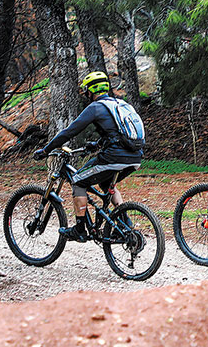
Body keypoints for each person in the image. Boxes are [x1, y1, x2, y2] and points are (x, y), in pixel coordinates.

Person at [33, 71, 143, 242]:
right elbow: (117, 132)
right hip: (135, 157)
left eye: (87, 91)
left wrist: (46, 150)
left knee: (77, 180)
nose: (86, 94)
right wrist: (98, 144)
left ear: (92, 91)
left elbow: (69, 132)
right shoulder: (120, 104)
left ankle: (79, 229)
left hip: (113, 157)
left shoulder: (96, 107)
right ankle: (124, 222)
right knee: (106, 183)